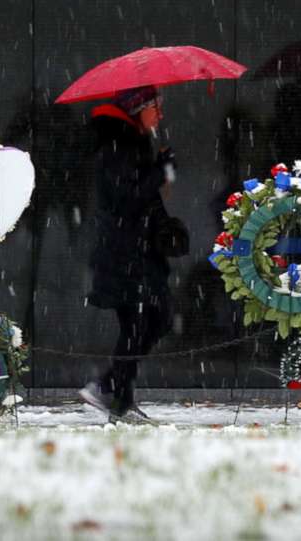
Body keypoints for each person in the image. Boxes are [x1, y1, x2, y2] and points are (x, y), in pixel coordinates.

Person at [80, 85, 180, 422]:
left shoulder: (133, 142)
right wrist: (158, 170)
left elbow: (146, 196)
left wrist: (162, 169)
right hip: (126, 255)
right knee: (141, 322)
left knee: (149, 321)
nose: (161, 114)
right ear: (140, 107)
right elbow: (128, 198)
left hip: (137, 253)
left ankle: (113, 392)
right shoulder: (118, 145)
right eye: (157, 106)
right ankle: (114, 395)